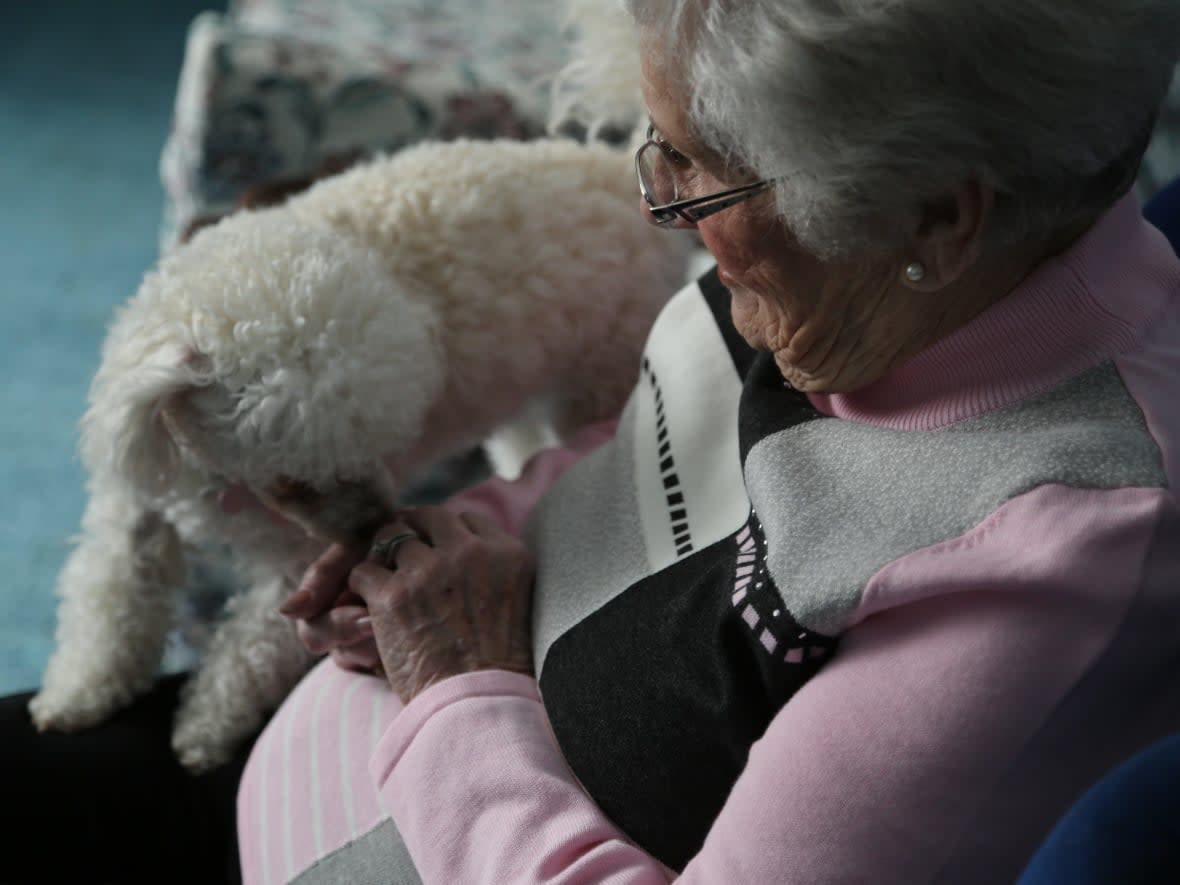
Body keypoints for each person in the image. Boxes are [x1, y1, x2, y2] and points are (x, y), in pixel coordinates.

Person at [4, 1, 1180, 883]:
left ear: (933, 215)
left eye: (694, 170)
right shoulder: (864, 284)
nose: (652, 202)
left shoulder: (1051, 544)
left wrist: (458, 687)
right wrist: (465, 544)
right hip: (318, 761)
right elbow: (654, 446)